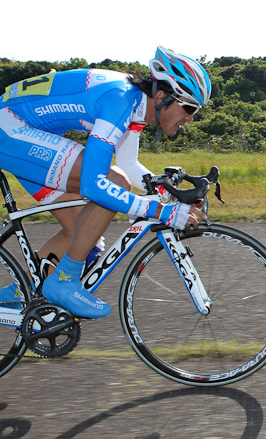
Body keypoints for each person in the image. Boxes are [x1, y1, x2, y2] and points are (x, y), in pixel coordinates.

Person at [0, 46, 211, 318]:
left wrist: (169, 194)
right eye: (189, 107)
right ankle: (64, 281)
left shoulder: (136, 105)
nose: (191, 117)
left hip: (23, 132)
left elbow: (128, 164)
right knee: (113, 183)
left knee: (83, 233)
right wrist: (161, 211)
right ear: (162, 96)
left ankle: (23, 291)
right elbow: (95, 184)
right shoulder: (119, 100)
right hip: (11, 130)